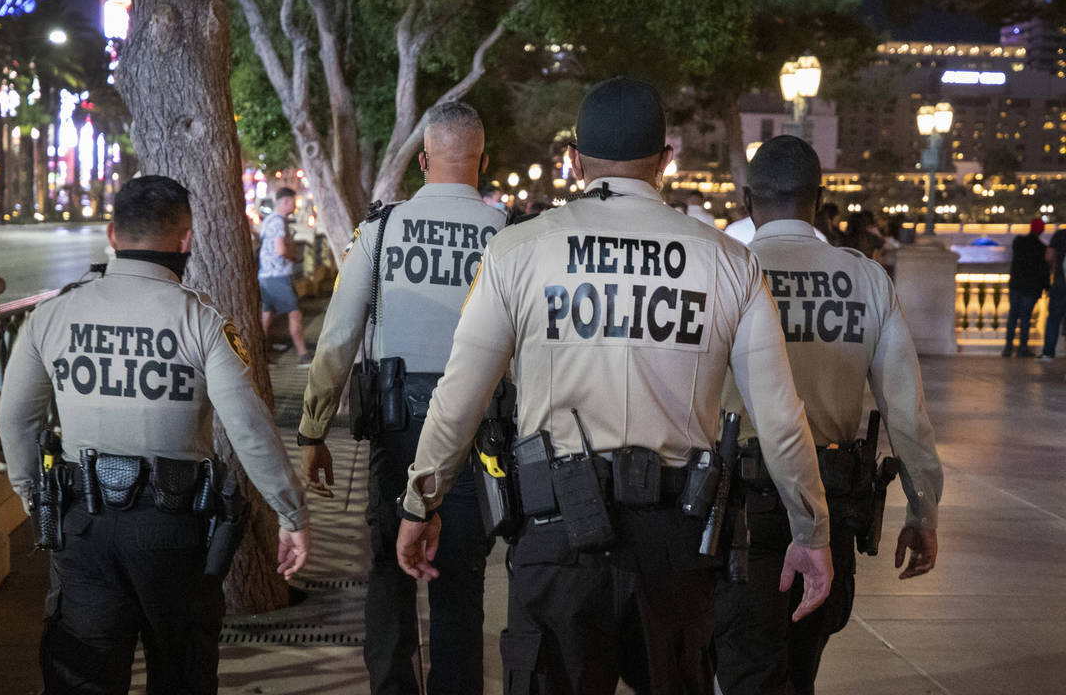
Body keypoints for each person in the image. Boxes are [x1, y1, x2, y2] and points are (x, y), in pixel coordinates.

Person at [396, 78, 833, 695]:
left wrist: (422, 501)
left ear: (574, 160)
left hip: (555, 535)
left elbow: (458, 399)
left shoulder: (518, 250)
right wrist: (811, 532)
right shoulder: (729, 262)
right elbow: (783, 421)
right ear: (665, 161)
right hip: (678, 545)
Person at [0, 175, 309, 694]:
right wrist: (292, 513)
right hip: (176, 533)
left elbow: (15, 420)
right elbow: (249, 428)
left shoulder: (53, 314)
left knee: (82, 677)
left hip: (83, 526)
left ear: (112, 233)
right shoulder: (203, 321)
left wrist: (36, 500)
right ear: (186, 241)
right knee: (181, 675)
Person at [715, 135, 943, 695]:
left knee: (744, 665)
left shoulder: (724, 270)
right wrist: (924, 508)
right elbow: (906, 413)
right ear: (818, 199)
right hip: (830, 501)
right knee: (802, 667)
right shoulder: (865, 279)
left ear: (749, 200)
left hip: (732, 504)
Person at [298, 101, 506, 695]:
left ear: (422, 160)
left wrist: (313, 431)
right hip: (476, 427)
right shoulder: (505, 233)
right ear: (484, 162)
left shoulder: (383, 229)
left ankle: (391, 687)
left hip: (395, 421)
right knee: (459, 577)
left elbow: (336, 339)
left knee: (391, 570)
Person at [259, 186, 312, 365]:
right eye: (294, 202)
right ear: (286, 202)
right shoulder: (278, 222)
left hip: (265, 275)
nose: (295, 206)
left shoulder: (268, 220)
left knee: (266, 316)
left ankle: (261, 355)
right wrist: (294, 257)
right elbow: (280, 250)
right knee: (294, 313)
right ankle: (303, 355)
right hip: (278, 276)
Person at [1004, 218, 1050, 357]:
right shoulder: (1042, 248)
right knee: (1025, 318)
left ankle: (1008, 347)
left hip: (1016, 285)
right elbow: (1044, 270)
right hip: (1031, 288)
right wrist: (1047, 287)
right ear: (1041, 231)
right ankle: (1023, 348)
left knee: (1012, 316)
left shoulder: (1018, 242)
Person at [1038, 226, 1066, 359]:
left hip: (1060, 282)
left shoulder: (1060, 234)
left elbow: (1048, 256)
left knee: (1053, 319)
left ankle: (1048, 353)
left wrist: (1055, 266)